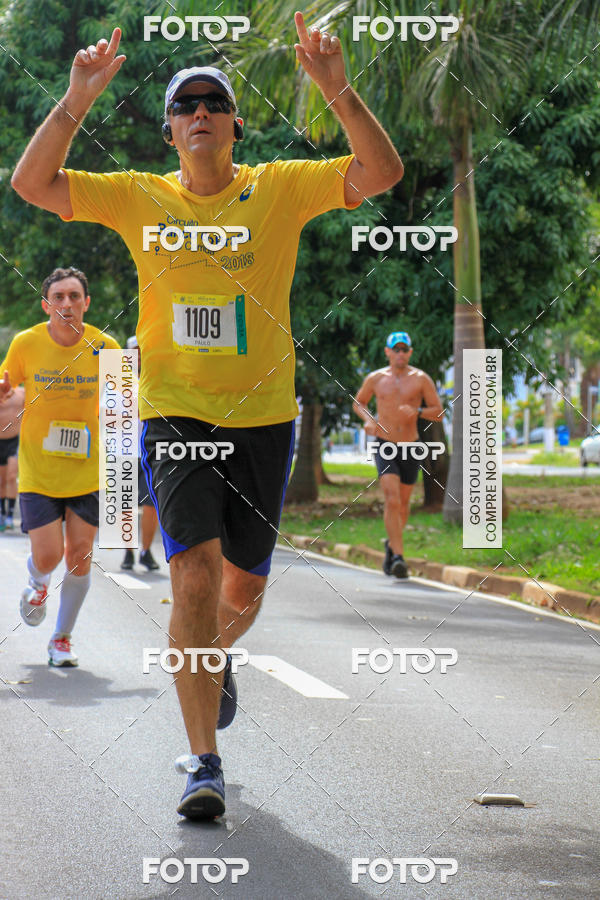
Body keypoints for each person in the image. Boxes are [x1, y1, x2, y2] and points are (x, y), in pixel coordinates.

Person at [11, 15, 404, 819]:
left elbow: (382, 171)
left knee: (244, 588)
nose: (199, 112)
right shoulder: (139, 196)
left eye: (214, 102)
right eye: (185, 104)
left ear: (234, 124)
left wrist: (336, 88)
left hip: (263, 418)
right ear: (169, 131)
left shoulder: (279, 187)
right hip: (176, 414)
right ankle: (203, 762)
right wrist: (77, 98)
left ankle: (210, 657)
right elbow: (32, 184)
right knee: (192, 573)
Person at [0, 267, 119, 666]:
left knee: (81, 554)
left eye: (74, 296)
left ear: (87, 303)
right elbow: (6, 386)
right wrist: (3, 393)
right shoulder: (26, 343)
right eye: (58, 297)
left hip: (87, 470)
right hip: (39, 469)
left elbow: (123, 406)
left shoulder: (106, 346)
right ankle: (38, 581)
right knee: (49, 556)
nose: (66, 303)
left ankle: (62, 639)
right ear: (46, 305)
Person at [353, 332, 443, 578]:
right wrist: (369, 420)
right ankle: (399, 559)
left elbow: (439, 412)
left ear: (410, 352)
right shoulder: (376, 378)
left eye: (405, 349)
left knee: (403, 504)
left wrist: (418, 411)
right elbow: (359, 402)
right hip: (385, 444)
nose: (400, 354)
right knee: (392, 499)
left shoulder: (421, 379)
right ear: (388, 352)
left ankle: (391, 548)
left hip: (411, 445)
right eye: (396, 349)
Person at [121, 336, 159, 572]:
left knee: (151, 503)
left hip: (149, 451)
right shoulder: (117, 380)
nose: (139, 356)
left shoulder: (156, 379)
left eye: (143, 351)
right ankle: (128, 551)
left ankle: (146, 551)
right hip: (123, 450)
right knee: (125, 503)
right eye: (135, 351)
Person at [0, 385, 25, 530]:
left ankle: (9, 515)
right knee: (1, 480)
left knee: (11, 476)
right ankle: (2, 513)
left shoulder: (22, 393)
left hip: (14, 441)